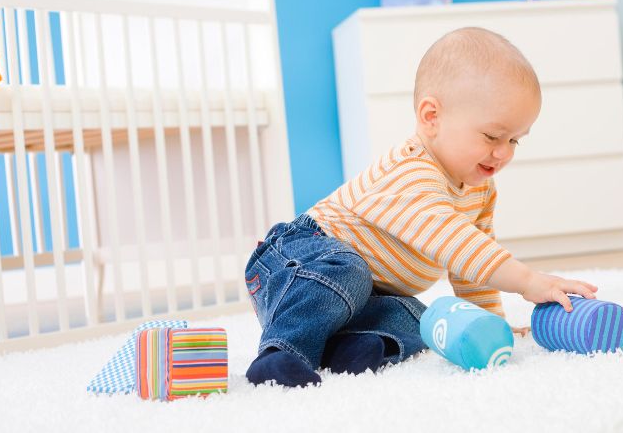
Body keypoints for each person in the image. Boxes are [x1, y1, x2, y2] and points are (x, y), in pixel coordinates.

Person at [244, 27, 598, 387]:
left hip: (368, 296)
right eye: (492, 136)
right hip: (299, 259)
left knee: (424, 318)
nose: (503, 152)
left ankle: (345, 348)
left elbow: (471, 267)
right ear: (431, 117)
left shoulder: (480, 190)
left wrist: (491, 324)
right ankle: (280, 354)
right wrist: (527, 281)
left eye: (515, 141)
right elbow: (455, 241)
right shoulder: (411, 173)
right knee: (348, 271)